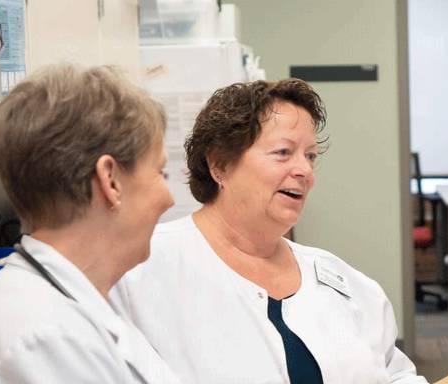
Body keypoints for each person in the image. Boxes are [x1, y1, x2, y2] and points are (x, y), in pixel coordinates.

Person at [110, 79, 426, 383]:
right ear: (219, 165)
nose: (304, 171)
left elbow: (395, 373)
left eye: (310, 156)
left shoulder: (347, 283)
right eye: (283, 152)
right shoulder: (138, 270)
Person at [0, 64, 179, 382]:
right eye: (159, 172)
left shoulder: (65, 304)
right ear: (110, 180)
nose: (169, 198)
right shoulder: (41, 334)